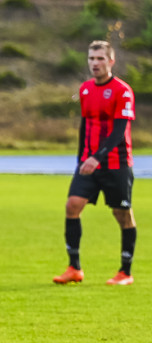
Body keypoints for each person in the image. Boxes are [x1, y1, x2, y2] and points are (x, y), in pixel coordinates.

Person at [55, 40, 137, 286]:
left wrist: (96, 156)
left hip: (116, 164)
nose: (95, 63)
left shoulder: (123, 91)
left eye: (100, 59)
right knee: (72, 206)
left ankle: (125, 272)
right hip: (89, 163)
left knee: (122, 214)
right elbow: (85, 125)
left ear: (111, 61)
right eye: (91, 59)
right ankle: (74, 268)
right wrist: (81, 158)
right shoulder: (86, 89)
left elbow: (120, 130)